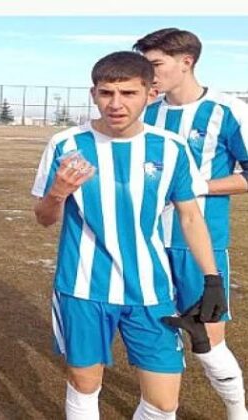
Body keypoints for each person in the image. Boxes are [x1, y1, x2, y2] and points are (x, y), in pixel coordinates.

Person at [32, 51, 224, 419]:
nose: (116, 104)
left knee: (164, 401)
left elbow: (190, 218)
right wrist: (57, 191)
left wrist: (211, 279)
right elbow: (43, 218)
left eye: (128, 93)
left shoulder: (170, 147)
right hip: (83, 288)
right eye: (107, 93)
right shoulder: (65, 144)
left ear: (150, 93)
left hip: (150, 290)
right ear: (94, 94)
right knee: (85, 387)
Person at [134, 28, 248, 419]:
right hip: (146, 244)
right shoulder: (146, 110)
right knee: (156, 333)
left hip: (198, 245)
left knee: (209, 341)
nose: (148, 74)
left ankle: (237, 411)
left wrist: (198, 185)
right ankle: (157, 404)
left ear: (187, 62)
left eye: (155, 65)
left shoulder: (228, 110)